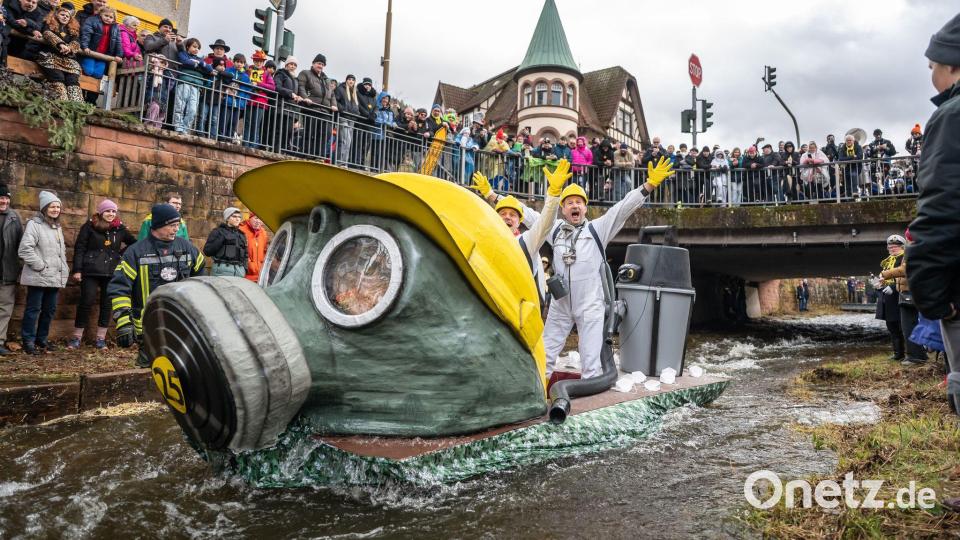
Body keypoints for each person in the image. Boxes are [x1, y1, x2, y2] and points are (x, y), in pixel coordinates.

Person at [542, 158, 674, 380]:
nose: (575, 206)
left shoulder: (597, 229)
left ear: (585, 208)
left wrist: (648, 185)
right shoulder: (553, 230)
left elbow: (622, 208)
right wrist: (493, 197)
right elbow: (528, 216)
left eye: (579, 202)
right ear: (563, 209)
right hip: (560, 305)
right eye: (569, 203)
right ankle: (537, 394)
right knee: (545, 354)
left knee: (590, 360)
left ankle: (590, 401)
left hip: (590, 305)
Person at [906, 12, 960, 453]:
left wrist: (928, 289)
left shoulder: (951, 116)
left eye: (934, 66)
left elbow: (942, 205)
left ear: (954, 65)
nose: (932, 74)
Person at [108, 203, 205, 366]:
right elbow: (119, 288)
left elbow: (201, 279)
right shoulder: (135, 252)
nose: (176, 229)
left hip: (181, 324)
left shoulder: (187, 248)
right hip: (148, 327)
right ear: (158, 225)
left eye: (178, 225)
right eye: (172, 225)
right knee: (149, 371)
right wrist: (123, 320)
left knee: (182, 371)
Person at [470, 160, 568, 300]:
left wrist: (553, 194)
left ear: (519, 221)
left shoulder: (526, 241)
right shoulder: (485, 241)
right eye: (503, 214)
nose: (507, 218)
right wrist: (491, 194)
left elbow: (545, 222)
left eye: (512, 215)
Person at [68, 199, 135, 349]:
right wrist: (77, 270)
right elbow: (80, 248)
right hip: (90, 270)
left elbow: (134, 243)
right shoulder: (89, 226)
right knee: (86, 301)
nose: (111, 214)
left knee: (107, 304)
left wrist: (119, 255)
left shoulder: (120, 229)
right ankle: (76, 337)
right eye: (108, 211)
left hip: (111, 271)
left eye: (113, 211)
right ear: (100, 212)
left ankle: (100, 338)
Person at [18, 191, 68, 355]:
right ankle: (28, 341)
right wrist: (41, 266)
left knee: (49, 310)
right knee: (33, 309)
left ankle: (42, 340)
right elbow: (25, 250)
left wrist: (63, 269)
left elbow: (59, 253)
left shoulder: (57, 226)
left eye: (58, 207)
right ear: (45, 208)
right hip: (38, 276)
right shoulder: (35, 224)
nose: (55, 209)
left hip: (53, 277)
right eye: (52, 206)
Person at [881, 229, 928, 365]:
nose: (892, 248)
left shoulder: (912, 250)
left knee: (909, 326)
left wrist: (885, 275)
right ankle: (915, 355)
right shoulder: (919, 249)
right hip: (907, 292)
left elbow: (905, 270)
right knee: (910, 325)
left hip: (909, 293)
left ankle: (916, 356)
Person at [36, 2, 82, 102]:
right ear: (57, 14)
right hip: (50, 57)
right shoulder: (48, 23)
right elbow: (47, 33)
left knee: (73, 80)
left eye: (67, 16)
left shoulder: (72, 30)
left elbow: (77, 41)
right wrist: (60, 44)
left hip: (67, 60)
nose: (65, 17)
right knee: (58, 78)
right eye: (62, 15)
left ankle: (77, 107)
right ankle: (61, 104)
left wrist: (70, 48)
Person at [875, 234, 907, 361]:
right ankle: (897, 353)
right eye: (890, 247)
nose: (892, 249)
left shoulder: (903, 259)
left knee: (902, 326)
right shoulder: (887, 261)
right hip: (887, 297)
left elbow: (904, 276)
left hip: (900, 296)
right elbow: (885, 277)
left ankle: (906, 354)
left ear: (902, 247)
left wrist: (893, 287)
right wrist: (879, 284)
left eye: (895, 247)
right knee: (892, 326)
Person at [172, 37, 213, 134]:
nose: (196, 49)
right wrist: (198, 65)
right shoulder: (183, 54)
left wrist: (198, 63)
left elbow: (209, 68)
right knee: (180, 106)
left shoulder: (200, 59)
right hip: (184, 82)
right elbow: (185, 61)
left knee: (193, 110)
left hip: (196, 86)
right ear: (187, 47)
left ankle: (185, 128)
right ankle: (178, 127)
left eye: (198, 48)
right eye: (194, 47)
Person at [0, 184, 22, 355]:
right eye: (1, 197)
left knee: (5, 308)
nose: (4, 200)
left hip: (7, 271)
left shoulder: (14, 217)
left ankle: (0, 341)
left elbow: (21, 245)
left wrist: (19, 267)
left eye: (6, 198)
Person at [78, 6, 121, 82]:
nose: (108, 18)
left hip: (104, 55)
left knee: (98, 74)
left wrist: (118, 54)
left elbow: (118, 41)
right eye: (106, 15)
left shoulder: (115, 27)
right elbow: (86, 34)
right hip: (90, 52)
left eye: (111, 17)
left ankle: (91, 93)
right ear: (100, 14)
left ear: (114, 19)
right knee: (88, 71)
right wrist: (85, 46)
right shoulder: (92, 20)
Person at [203, 207, 248, 277]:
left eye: (239, 217)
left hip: (239, 271)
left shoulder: (241, 234)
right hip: (221, 270)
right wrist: (222, 237)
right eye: (234, 216)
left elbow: (246, 254)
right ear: (227, 218)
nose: (237, 219)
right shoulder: (217, 232)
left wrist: (245, 269)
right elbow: (207, 251)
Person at [335, 74, 360, 164]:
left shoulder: (354, 92)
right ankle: (340, 162)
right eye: (349, 79)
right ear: (346, 80)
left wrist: (357, 113)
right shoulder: (340, 89)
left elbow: (356, 106)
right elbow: (336, 100)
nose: (351, 81)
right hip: (343, 118)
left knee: (348, 142)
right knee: (345, 139)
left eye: (353, 80)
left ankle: (344, 162)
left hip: (352, 119)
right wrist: (341, 108)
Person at [239, 213, 266, 282]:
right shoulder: (241, 230)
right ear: (250, 218)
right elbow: (238, 251)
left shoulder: (263, 233)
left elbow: (265, 251)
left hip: (260, 275)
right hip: (245, 275)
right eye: (256, 218)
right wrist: (249, 264)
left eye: (261, 219)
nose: (258, 221)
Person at [836, 134, 863, 199]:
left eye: (850, 140)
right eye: (847, 140)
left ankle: (855, 192)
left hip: (856, 166)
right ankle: (849, 197)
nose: (848, 142)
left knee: (853, 175)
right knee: (847, 181)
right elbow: (841, 158)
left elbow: (860, 156)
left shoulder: (858, 147)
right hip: (846, 167)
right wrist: (853, 156)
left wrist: (848, 158)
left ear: (853, 141)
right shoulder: (843, 148)